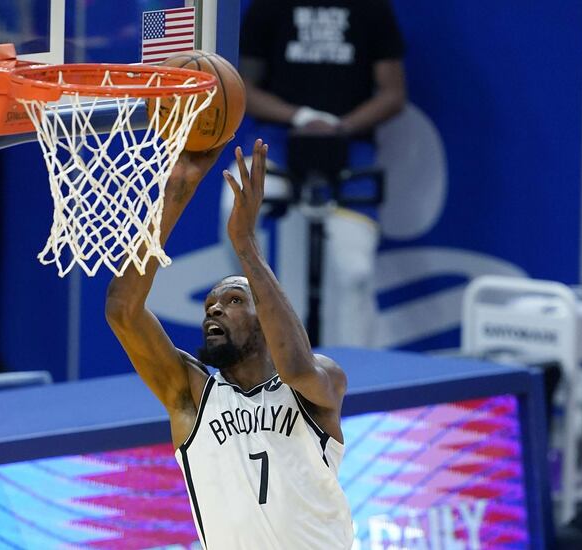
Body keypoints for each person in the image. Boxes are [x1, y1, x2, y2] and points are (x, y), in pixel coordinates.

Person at [106, 139, 354, 548]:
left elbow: (293, 366)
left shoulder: (321, 381)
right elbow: (122, 311)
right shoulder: (191, 395)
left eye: (234, 300)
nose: (214, 310)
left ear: (267, 317)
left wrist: (246, 245)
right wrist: (177, 190)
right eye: (209, 304)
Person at [222, 0, 407, 347]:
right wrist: (301, 117)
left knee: (355, 272)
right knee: (230, 205)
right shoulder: (269, 7)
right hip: (279, 139)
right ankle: (255, 314)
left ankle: (358, 380)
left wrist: (340, 126)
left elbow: (393, 93)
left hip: (349, 145)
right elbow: (242, 85)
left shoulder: (373, 8)